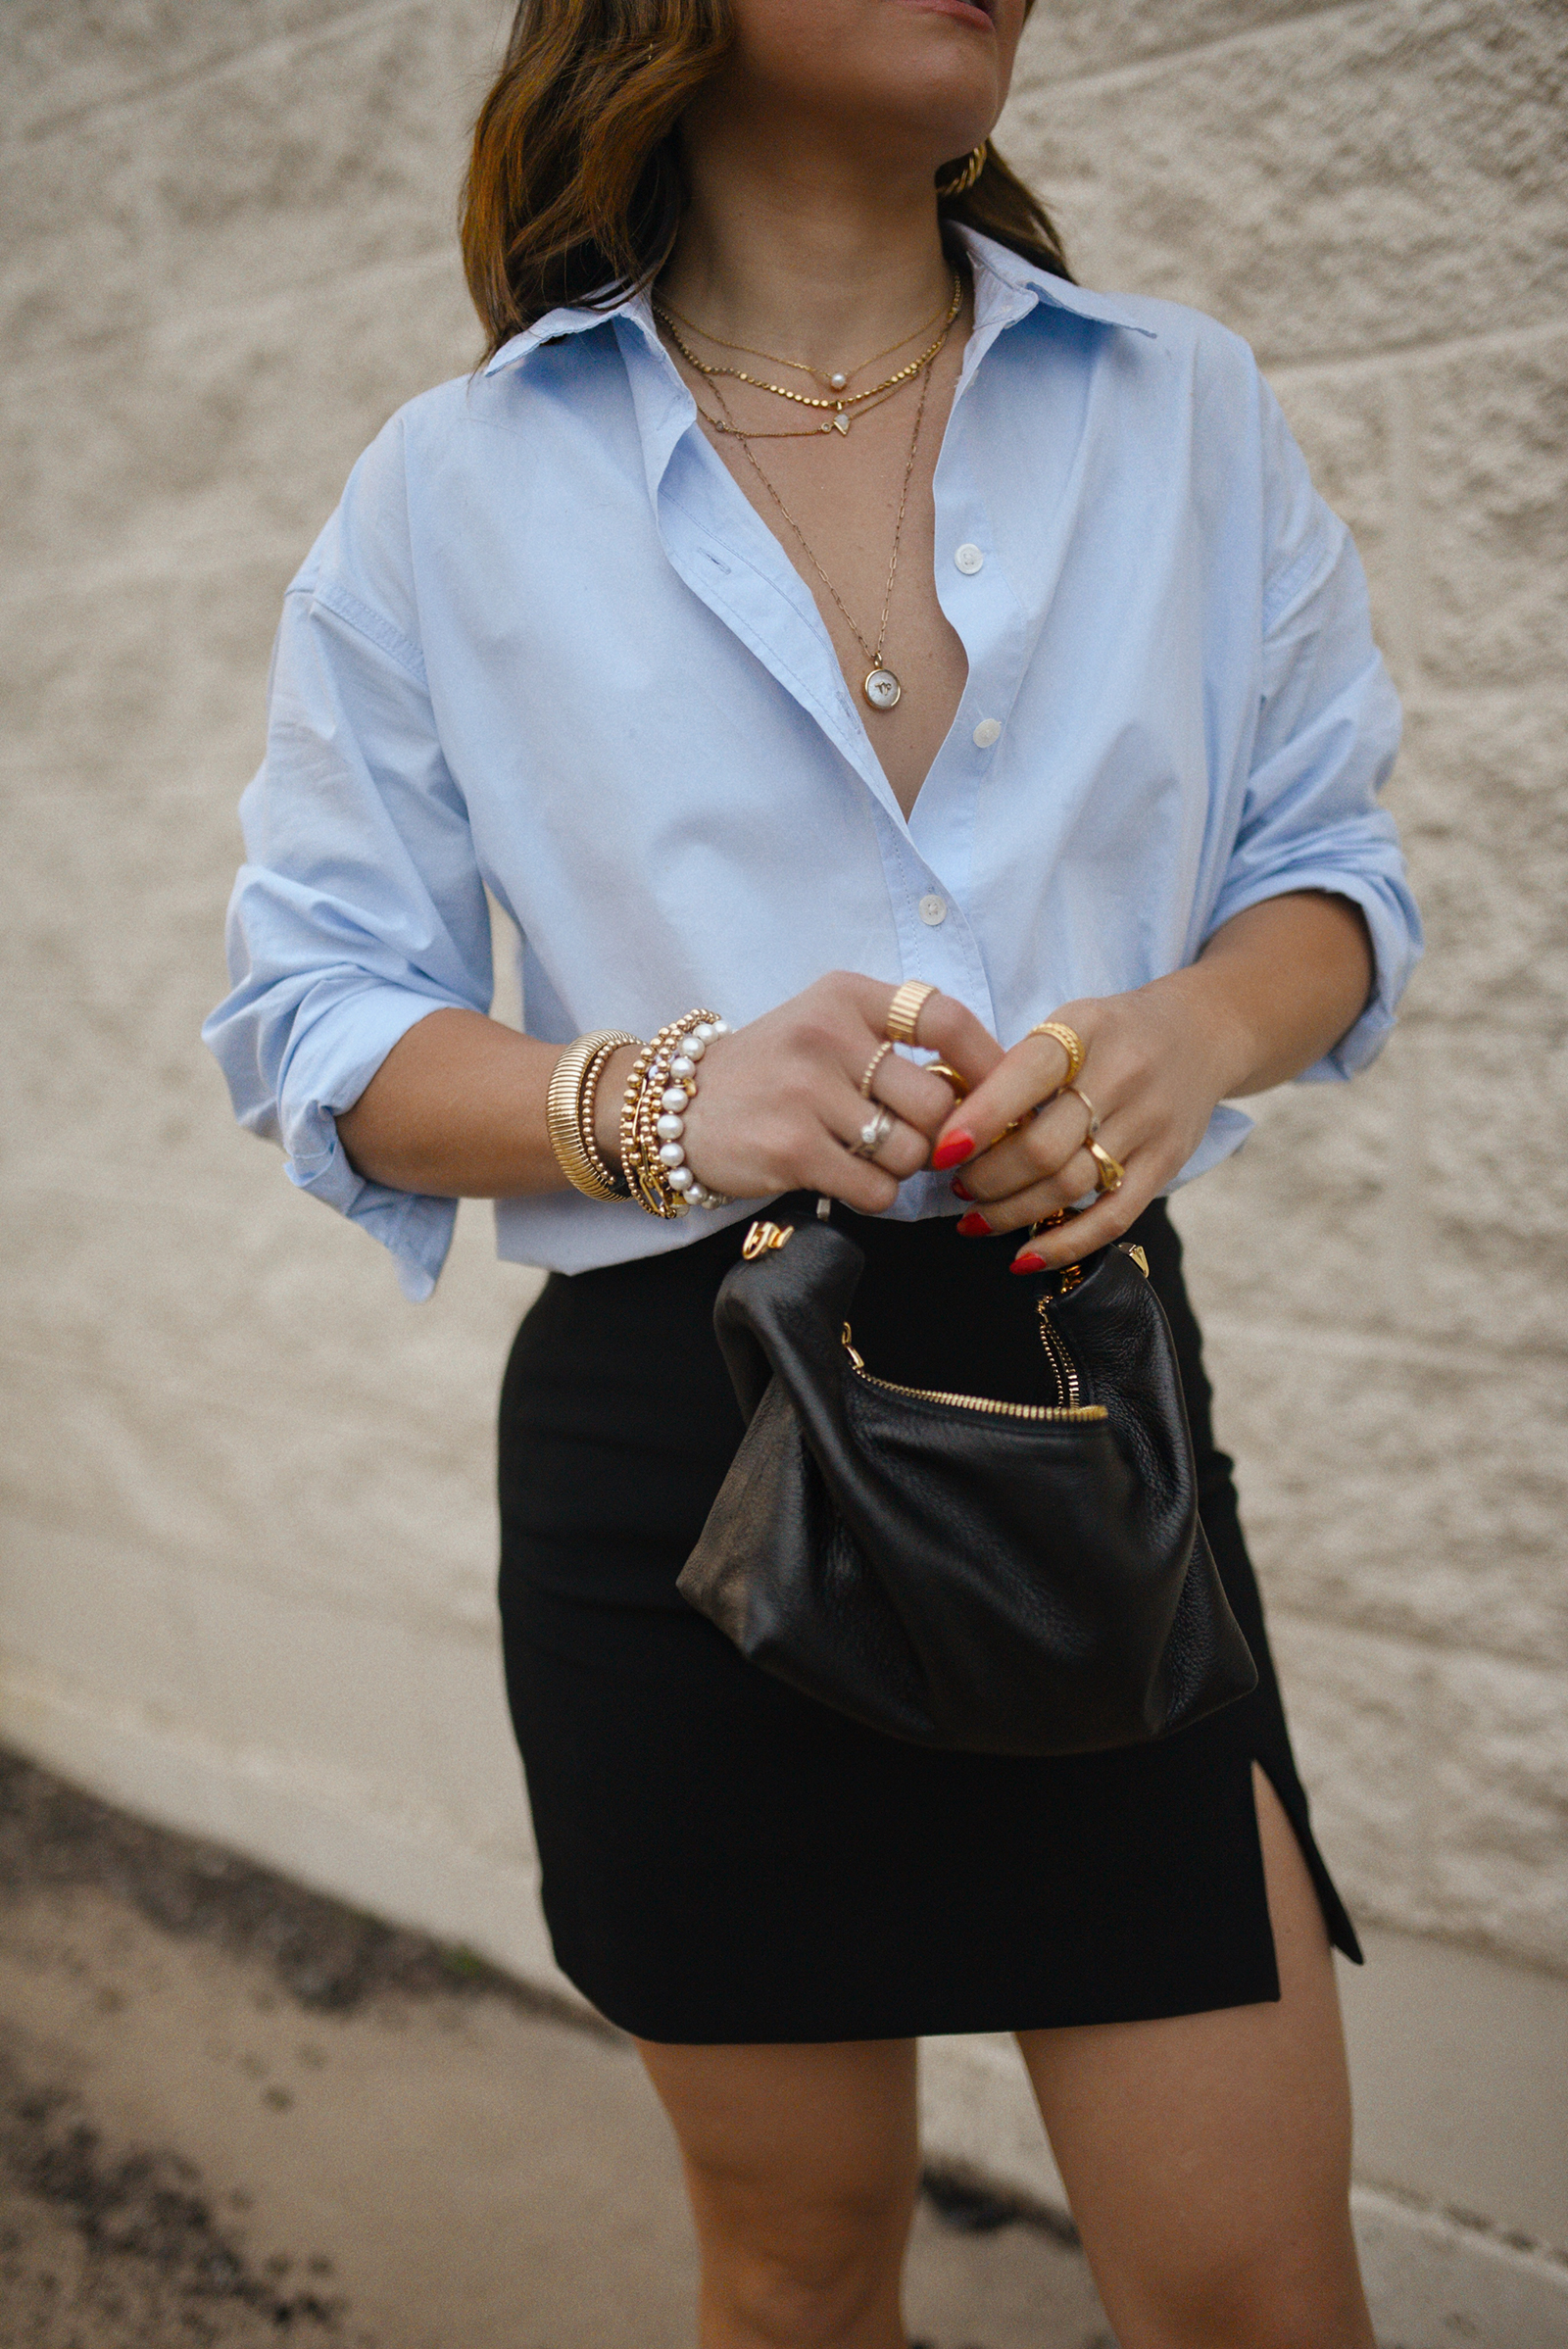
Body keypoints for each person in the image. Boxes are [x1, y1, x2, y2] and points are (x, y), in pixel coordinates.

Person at [205, 1, 1421, 2341]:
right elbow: (314, 1018)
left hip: (1078, 1421)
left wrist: (1185, 1029)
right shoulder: (451, 488)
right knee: (791, 2270)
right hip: (685, 1458)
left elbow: (1323, 867)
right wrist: (651, 1098)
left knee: (1258, 2291)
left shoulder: (1180, 409)